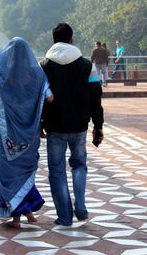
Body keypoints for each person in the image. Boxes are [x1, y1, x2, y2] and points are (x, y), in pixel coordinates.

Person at [40, 23, 104, 226]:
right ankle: (81, 207)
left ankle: (64, 217)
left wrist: (40, 121)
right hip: (79, 126)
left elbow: (39, 97)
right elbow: (95, 97)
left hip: (55, 126)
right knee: (79, 166)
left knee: (57, 172)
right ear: (71, 39)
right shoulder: (87, 66)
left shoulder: (44, 66)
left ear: (53, 40)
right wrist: (98, 125)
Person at [0, 37, 53, 228]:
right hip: (30, 135)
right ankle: (26, 211)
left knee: (8, 174)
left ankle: (18, 214)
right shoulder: (37, 76)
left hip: (7, 136)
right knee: (24, 173)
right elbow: (49, 98)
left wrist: (0, 119)